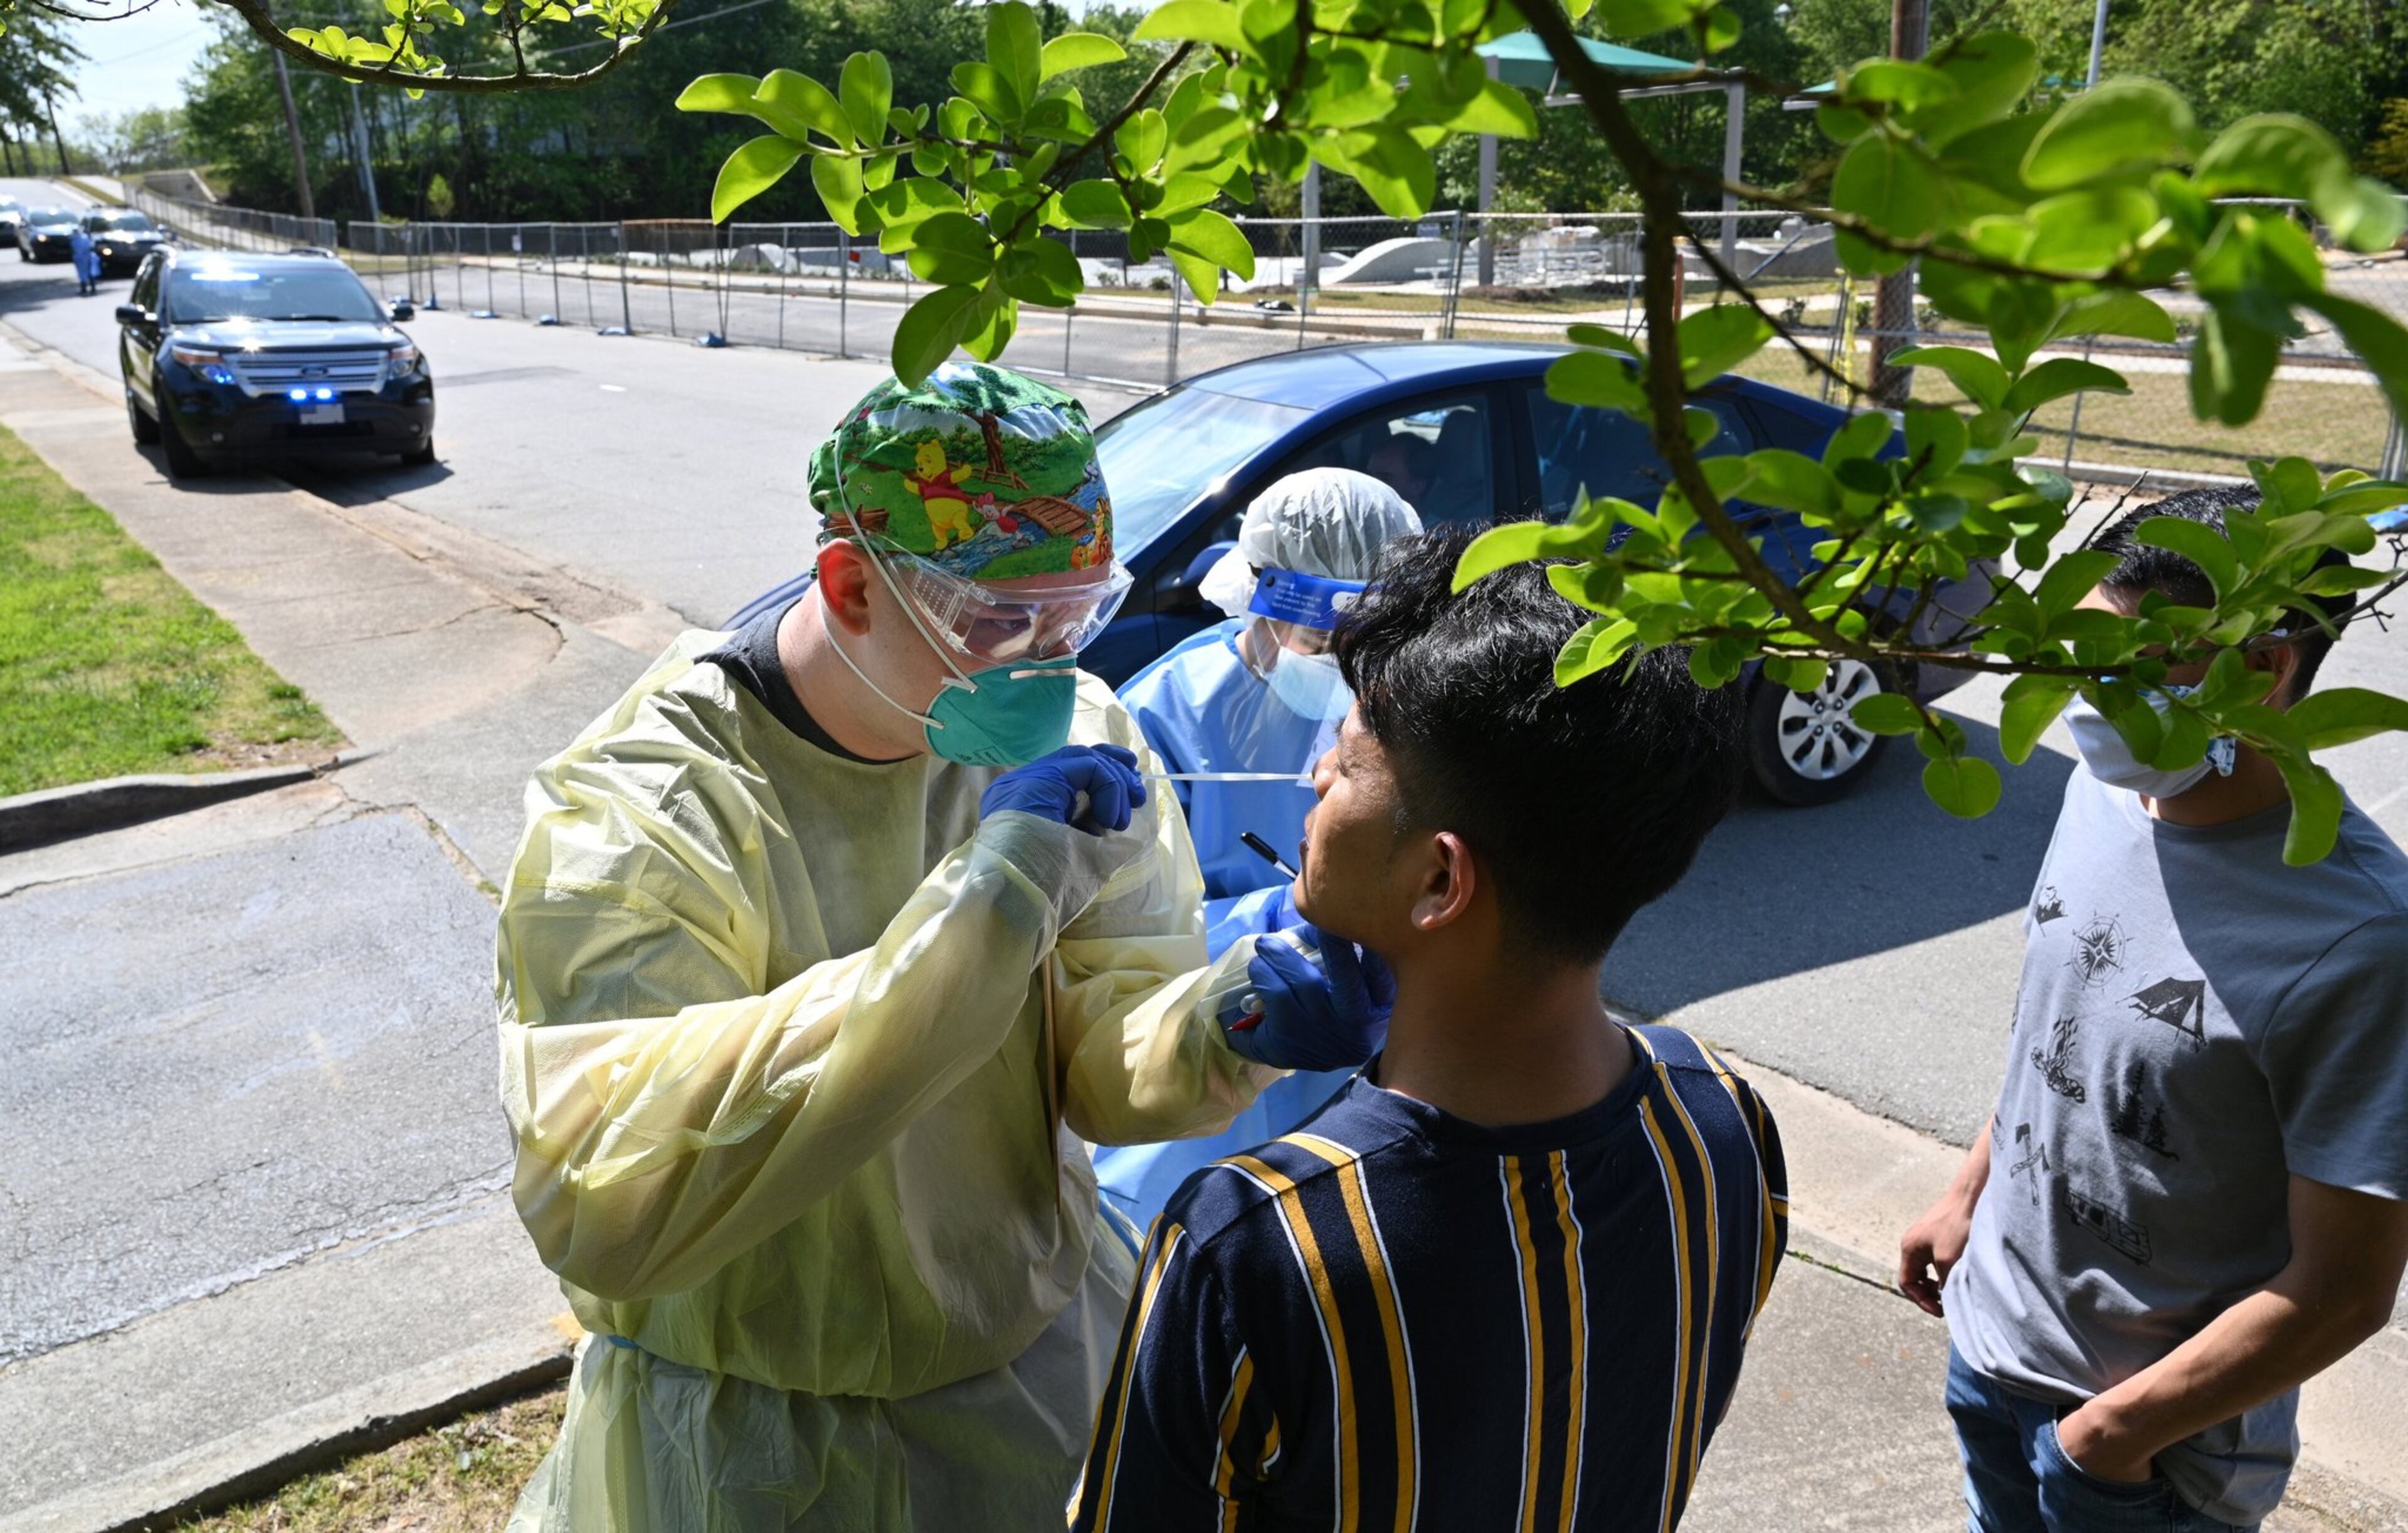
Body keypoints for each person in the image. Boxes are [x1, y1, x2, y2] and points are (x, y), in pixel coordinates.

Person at [495, 362, 1393, 1532]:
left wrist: (1222, 1021)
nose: (1042, 663)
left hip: (1030, 1375)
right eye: (996, 622)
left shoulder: (1080, 727)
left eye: (1074, 620)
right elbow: (609, 1195)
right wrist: (990, 902)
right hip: (747, 1450)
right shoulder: (652, 807)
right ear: (851, 584)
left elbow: (1096, 1057)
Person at [1072, 525, 1787, 1530]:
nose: (1315, 778)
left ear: (1440, 879)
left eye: (1349, 759)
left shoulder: (1258, 1241)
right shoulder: (1725, 1127)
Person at [1896, 485, 2408, 1532]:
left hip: (2147, 1459)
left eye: (2129, 666)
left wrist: (2115, 1437)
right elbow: (2066, 1020)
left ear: (2262, 673)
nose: (2086, 696)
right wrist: (1968, 1192)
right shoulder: (2102, 790)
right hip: (1990, 1345)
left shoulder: (2358, 938)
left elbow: (2348, 1289)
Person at [1094, 468, 1420, 1228]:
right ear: (1261, 603)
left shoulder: (1395, 699)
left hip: (1360, 1087)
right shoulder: (1166, 716)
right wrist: (1277, 916)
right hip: (1205, 1079)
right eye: (1320, 640)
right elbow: (1119, 939)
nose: (1343, 664)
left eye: (1365, 644)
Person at [68, 222, 98, 296]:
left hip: (83, 258)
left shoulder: (76, 239)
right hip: (84, 258)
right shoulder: (83, 238)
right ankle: (90, 288)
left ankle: (86, 289)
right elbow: (92, 246)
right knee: (87, 273)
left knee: (84, 274)